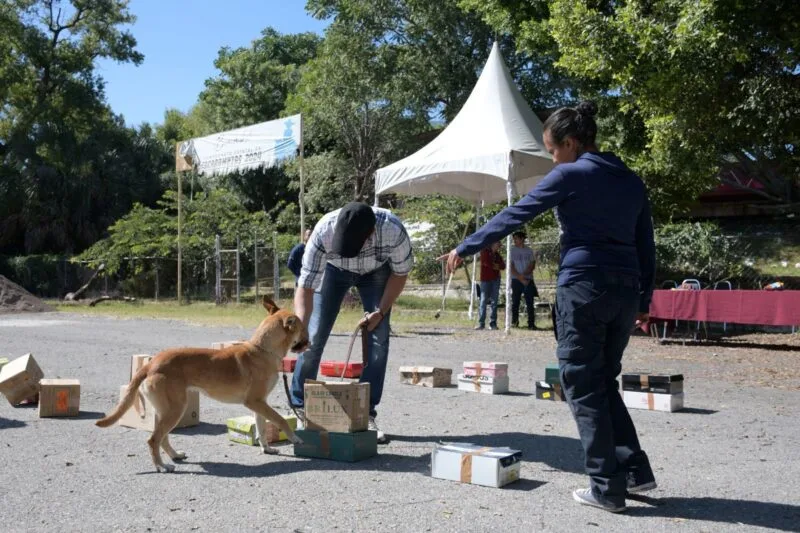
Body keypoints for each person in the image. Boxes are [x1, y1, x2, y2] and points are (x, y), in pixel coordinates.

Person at [440, 101, 657, 513]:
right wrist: (644, 299)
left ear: (571, 143)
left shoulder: (571, 174)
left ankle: (606, 488)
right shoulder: (631, 180)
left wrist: (466, 247)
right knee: (603, 379)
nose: (552, 159)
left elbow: (517, 213)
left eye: (553, 150)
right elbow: (646, 243)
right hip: (626, 291)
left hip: (585, 287)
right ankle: (633, 470)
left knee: (581, 383)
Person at [291, 202, 414, 444]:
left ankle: (365, 414)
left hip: (377, 271)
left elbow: (400, 274)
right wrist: (300, 328)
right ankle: (300, 407)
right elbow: (305, 287)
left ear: (370, 234)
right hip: (334, 270)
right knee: (313, 335)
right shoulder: (323, 231)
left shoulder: (393, 230)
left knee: (378, 340)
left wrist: (380, 311)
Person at [510, 231, 538, 329]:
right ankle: (514, 323)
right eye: (514, 239)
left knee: (530, 302)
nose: (514, 240)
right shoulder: (511, 251)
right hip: (516, 280)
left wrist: (524, 275)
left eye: (516, 238)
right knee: (515, 302)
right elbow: (511, 266)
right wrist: (520, 277)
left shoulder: (529, 251)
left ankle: (531, 324)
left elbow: (532, 265)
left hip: (528, 279)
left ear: (522, 239)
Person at [476, 241, 505, 330]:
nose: (499, 246)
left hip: (495, 280)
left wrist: (496, 266)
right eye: (498, 244)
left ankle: (493, 323)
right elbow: (487, 264)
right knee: (483, 301)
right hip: (485, 280)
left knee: (494, 301)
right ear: (493, 244)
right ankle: (481, 323)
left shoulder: (497, 255)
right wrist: (497, 266)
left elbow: (503, 266)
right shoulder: (484, 252)